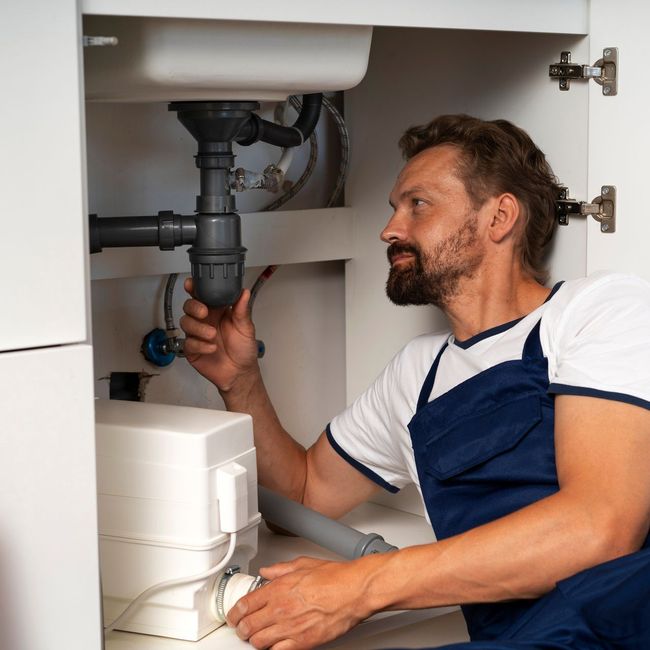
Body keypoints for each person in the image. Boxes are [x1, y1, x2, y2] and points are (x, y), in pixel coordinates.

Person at [180, 114, 650, 650]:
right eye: (393, 208)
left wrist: (360, 588)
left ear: (500, 217)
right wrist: (240, 381)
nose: (390, 229)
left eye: (418, 204)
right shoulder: (415, 373)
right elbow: (303, 495)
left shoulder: (596, 312)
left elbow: (600, 527)